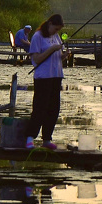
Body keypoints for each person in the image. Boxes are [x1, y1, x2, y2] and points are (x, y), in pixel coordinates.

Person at [24, 14, 66, 149]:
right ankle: (30, 138)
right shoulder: (37, 37)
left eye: (59, 30)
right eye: (56, 29)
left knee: (53, 110)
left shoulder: (56, 37)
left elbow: (59, 57)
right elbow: (36, 59)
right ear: (50, 24)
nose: (57, 32)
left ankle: (47, 139)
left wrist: (65, 55)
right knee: (40, 109)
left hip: (56, 75)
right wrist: (52, 49)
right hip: (43, 77)